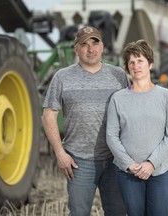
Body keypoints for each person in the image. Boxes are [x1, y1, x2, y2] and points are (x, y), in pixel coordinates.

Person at [41, 26, 128, 216]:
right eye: (85, 44)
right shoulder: (62, 77)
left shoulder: (119, 76)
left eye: (95, 43)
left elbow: (130, 113)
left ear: (103, 46)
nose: (91, 49)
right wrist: (59, 153)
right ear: (76, 49)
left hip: (115, 160)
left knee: (119, 213)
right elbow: (48, 115)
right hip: (79, 163)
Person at [106, 39, 168, 216]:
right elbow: (111, 136)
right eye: (131, 62)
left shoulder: (167, 97)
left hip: (160, 171)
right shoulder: (117, 98)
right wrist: (130, 165)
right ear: (127, 67)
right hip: (128, 173)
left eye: (140, 61)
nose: (136, 65)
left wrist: (151, 163)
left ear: (150, 64)